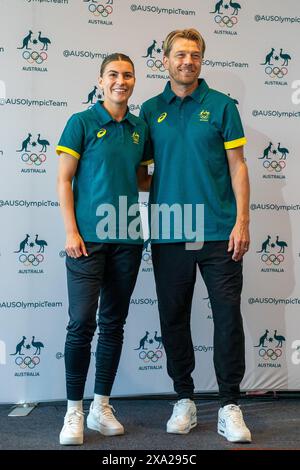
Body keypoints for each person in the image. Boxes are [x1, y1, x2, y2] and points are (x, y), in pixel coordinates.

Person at [140, 29, 251, 443]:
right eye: (180, 54)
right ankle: (184, 399)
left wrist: (243, 221)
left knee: (226, 318)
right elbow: (141, 173)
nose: (188, 61)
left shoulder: (222, 106)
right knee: (173, 318)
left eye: (195, 55)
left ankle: (229, 405)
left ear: (202, 60)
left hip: (220, 231)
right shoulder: (150, 111)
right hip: (169, 231)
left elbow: (238, 166)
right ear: (164, 59)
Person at [56, 53, 151, 445]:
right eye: (113, 74)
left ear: (133, 82)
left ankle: (100, 406)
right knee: (81, 324)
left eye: (127, 75)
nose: (120, 81)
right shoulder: (80, 122)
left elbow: (143, 180)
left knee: (113, 324)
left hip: (127, 240)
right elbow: (64, 181)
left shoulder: (139, 127)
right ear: (100, 81)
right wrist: (71, 232)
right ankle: (73, 411)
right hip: (86, 241)